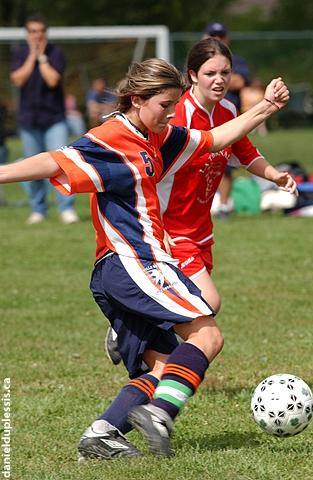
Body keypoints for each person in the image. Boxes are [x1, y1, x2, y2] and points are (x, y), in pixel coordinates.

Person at [0, 58, 290, 459]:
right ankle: (160, 414)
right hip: (134, 261)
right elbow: (54, 160)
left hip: (117, 270)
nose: (171, 113)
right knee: (207, 335)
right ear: (137, 99)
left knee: (164, 366)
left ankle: (101, 435)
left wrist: (265, 107)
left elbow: (215, 139)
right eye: (165, 105)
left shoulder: (155, 135)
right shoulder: (112, 138)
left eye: (175, 105)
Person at [10, 13, 79, 225]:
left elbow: (52, 80)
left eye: (40, 31)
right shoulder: (19, 53)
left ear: (45, 32)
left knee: (61, 164)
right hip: (29, 119)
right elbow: (18, 79)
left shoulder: (56, 53)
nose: (36, 36)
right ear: (27, 33)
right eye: (32, 32)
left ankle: (66, 208)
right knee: (32, 168)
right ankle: (38, 210)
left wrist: (42, 58)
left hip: (54, 119)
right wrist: (32, 56)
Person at [203, 22, 251, 218]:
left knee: (226, 163)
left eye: (224, 72)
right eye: (212, 35)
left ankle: (223, 205)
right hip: (204, 116)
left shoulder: (235, 59)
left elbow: (241, 82)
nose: (217, 39)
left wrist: (212, 77)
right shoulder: (198, 59)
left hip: (229, 118)